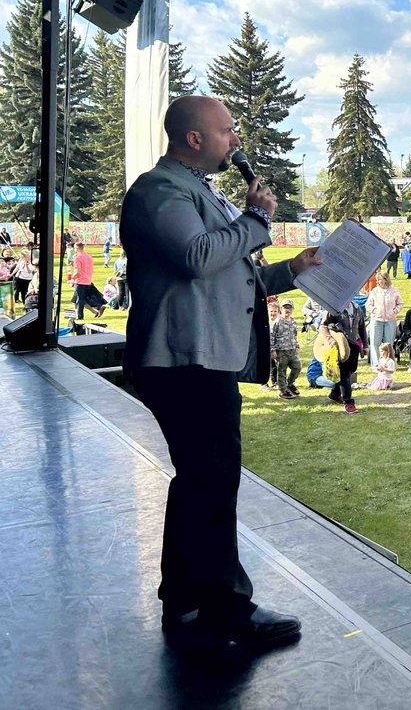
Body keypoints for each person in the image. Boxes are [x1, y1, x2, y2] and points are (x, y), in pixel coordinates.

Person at [120, 95, 320, 652]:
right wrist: (257, 220)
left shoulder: (197, 191)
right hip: (183, 358)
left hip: (203, 357)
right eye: (228, 131)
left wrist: (290, 269)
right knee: (212, 479)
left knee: (201, 480)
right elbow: (199, 257)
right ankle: (226, 609)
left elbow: (229, 275)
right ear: (194, 140)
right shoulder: (160, 191)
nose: (236, 141)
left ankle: (184, 595)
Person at [365, 271, 403, 368]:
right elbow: (368, 305)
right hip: (377, 319)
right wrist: (374, 310)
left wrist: (395, 311)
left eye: (380, 279)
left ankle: (389, 363)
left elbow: (400, 303)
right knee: (375, 342)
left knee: (389, 342)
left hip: (390, 320)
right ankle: (376, 364)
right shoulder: (374, 291)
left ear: (386, 280)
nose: (378, 281)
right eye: (377, 280)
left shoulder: (394, 291)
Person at [270, 299, 301, 399]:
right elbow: (271, 336)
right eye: (285, 308)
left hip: (292, 350)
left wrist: (296, 345)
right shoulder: (277, 321)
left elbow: (294, 335)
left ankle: (289, 384)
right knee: (282, 371)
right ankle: (283, 391)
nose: (287, 310)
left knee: (297, 367)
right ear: (280, 309)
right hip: (281, 351)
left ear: (292, 309)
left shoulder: (293, 322)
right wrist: (273, 350)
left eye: (289, 308)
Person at [71, 240, 106, 319]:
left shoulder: (77, 258)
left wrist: (72, 279)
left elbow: (77, 271)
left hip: (80, 281)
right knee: (75, 299)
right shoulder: (88, 257)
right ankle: (97, 309)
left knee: (80, 300)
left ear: (77, 248)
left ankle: (79, 316)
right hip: (88, 280)